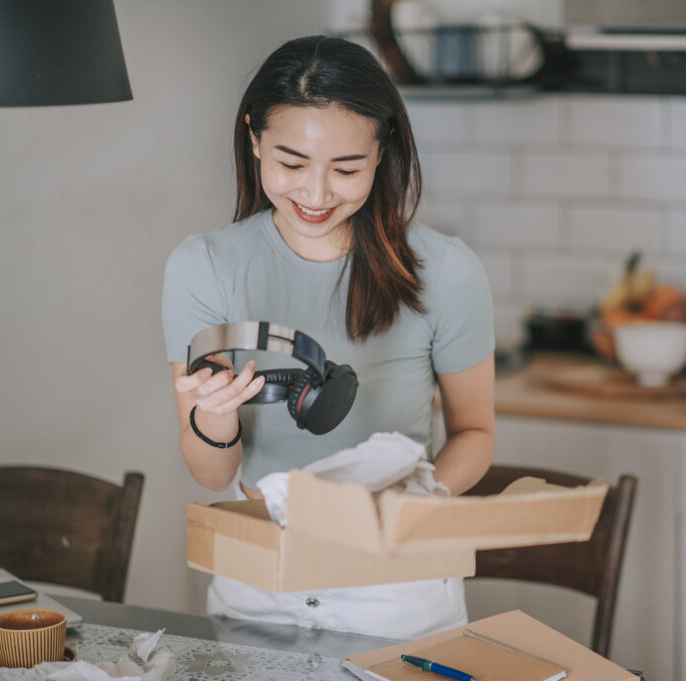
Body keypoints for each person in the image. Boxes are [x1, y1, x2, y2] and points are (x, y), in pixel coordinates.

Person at [161, 35, 495, 639]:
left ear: (381, 152)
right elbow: (213, 476)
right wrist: (215, 417)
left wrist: (411, 501)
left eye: (346, 169)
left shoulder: (447, 271)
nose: (316, 196)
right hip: (258, 582)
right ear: (254, 138)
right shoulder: (202, 266)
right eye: (291, 164)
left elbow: (475, 433)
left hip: (399, 587)